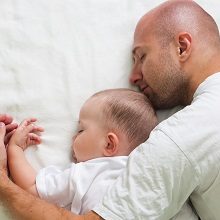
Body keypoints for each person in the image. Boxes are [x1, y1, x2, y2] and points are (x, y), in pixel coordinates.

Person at [0, 0, 220, 219]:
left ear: (181, 47)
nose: (132, 76)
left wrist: (2, 181)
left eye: (141, 56)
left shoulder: (183, 136)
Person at [7, 88, 158, 214]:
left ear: (109, 144)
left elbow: (32, 189)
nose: (73, 137)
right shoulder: (148, 181)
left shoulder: (87, 173)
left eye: (81, 130)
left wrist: (15, 148)